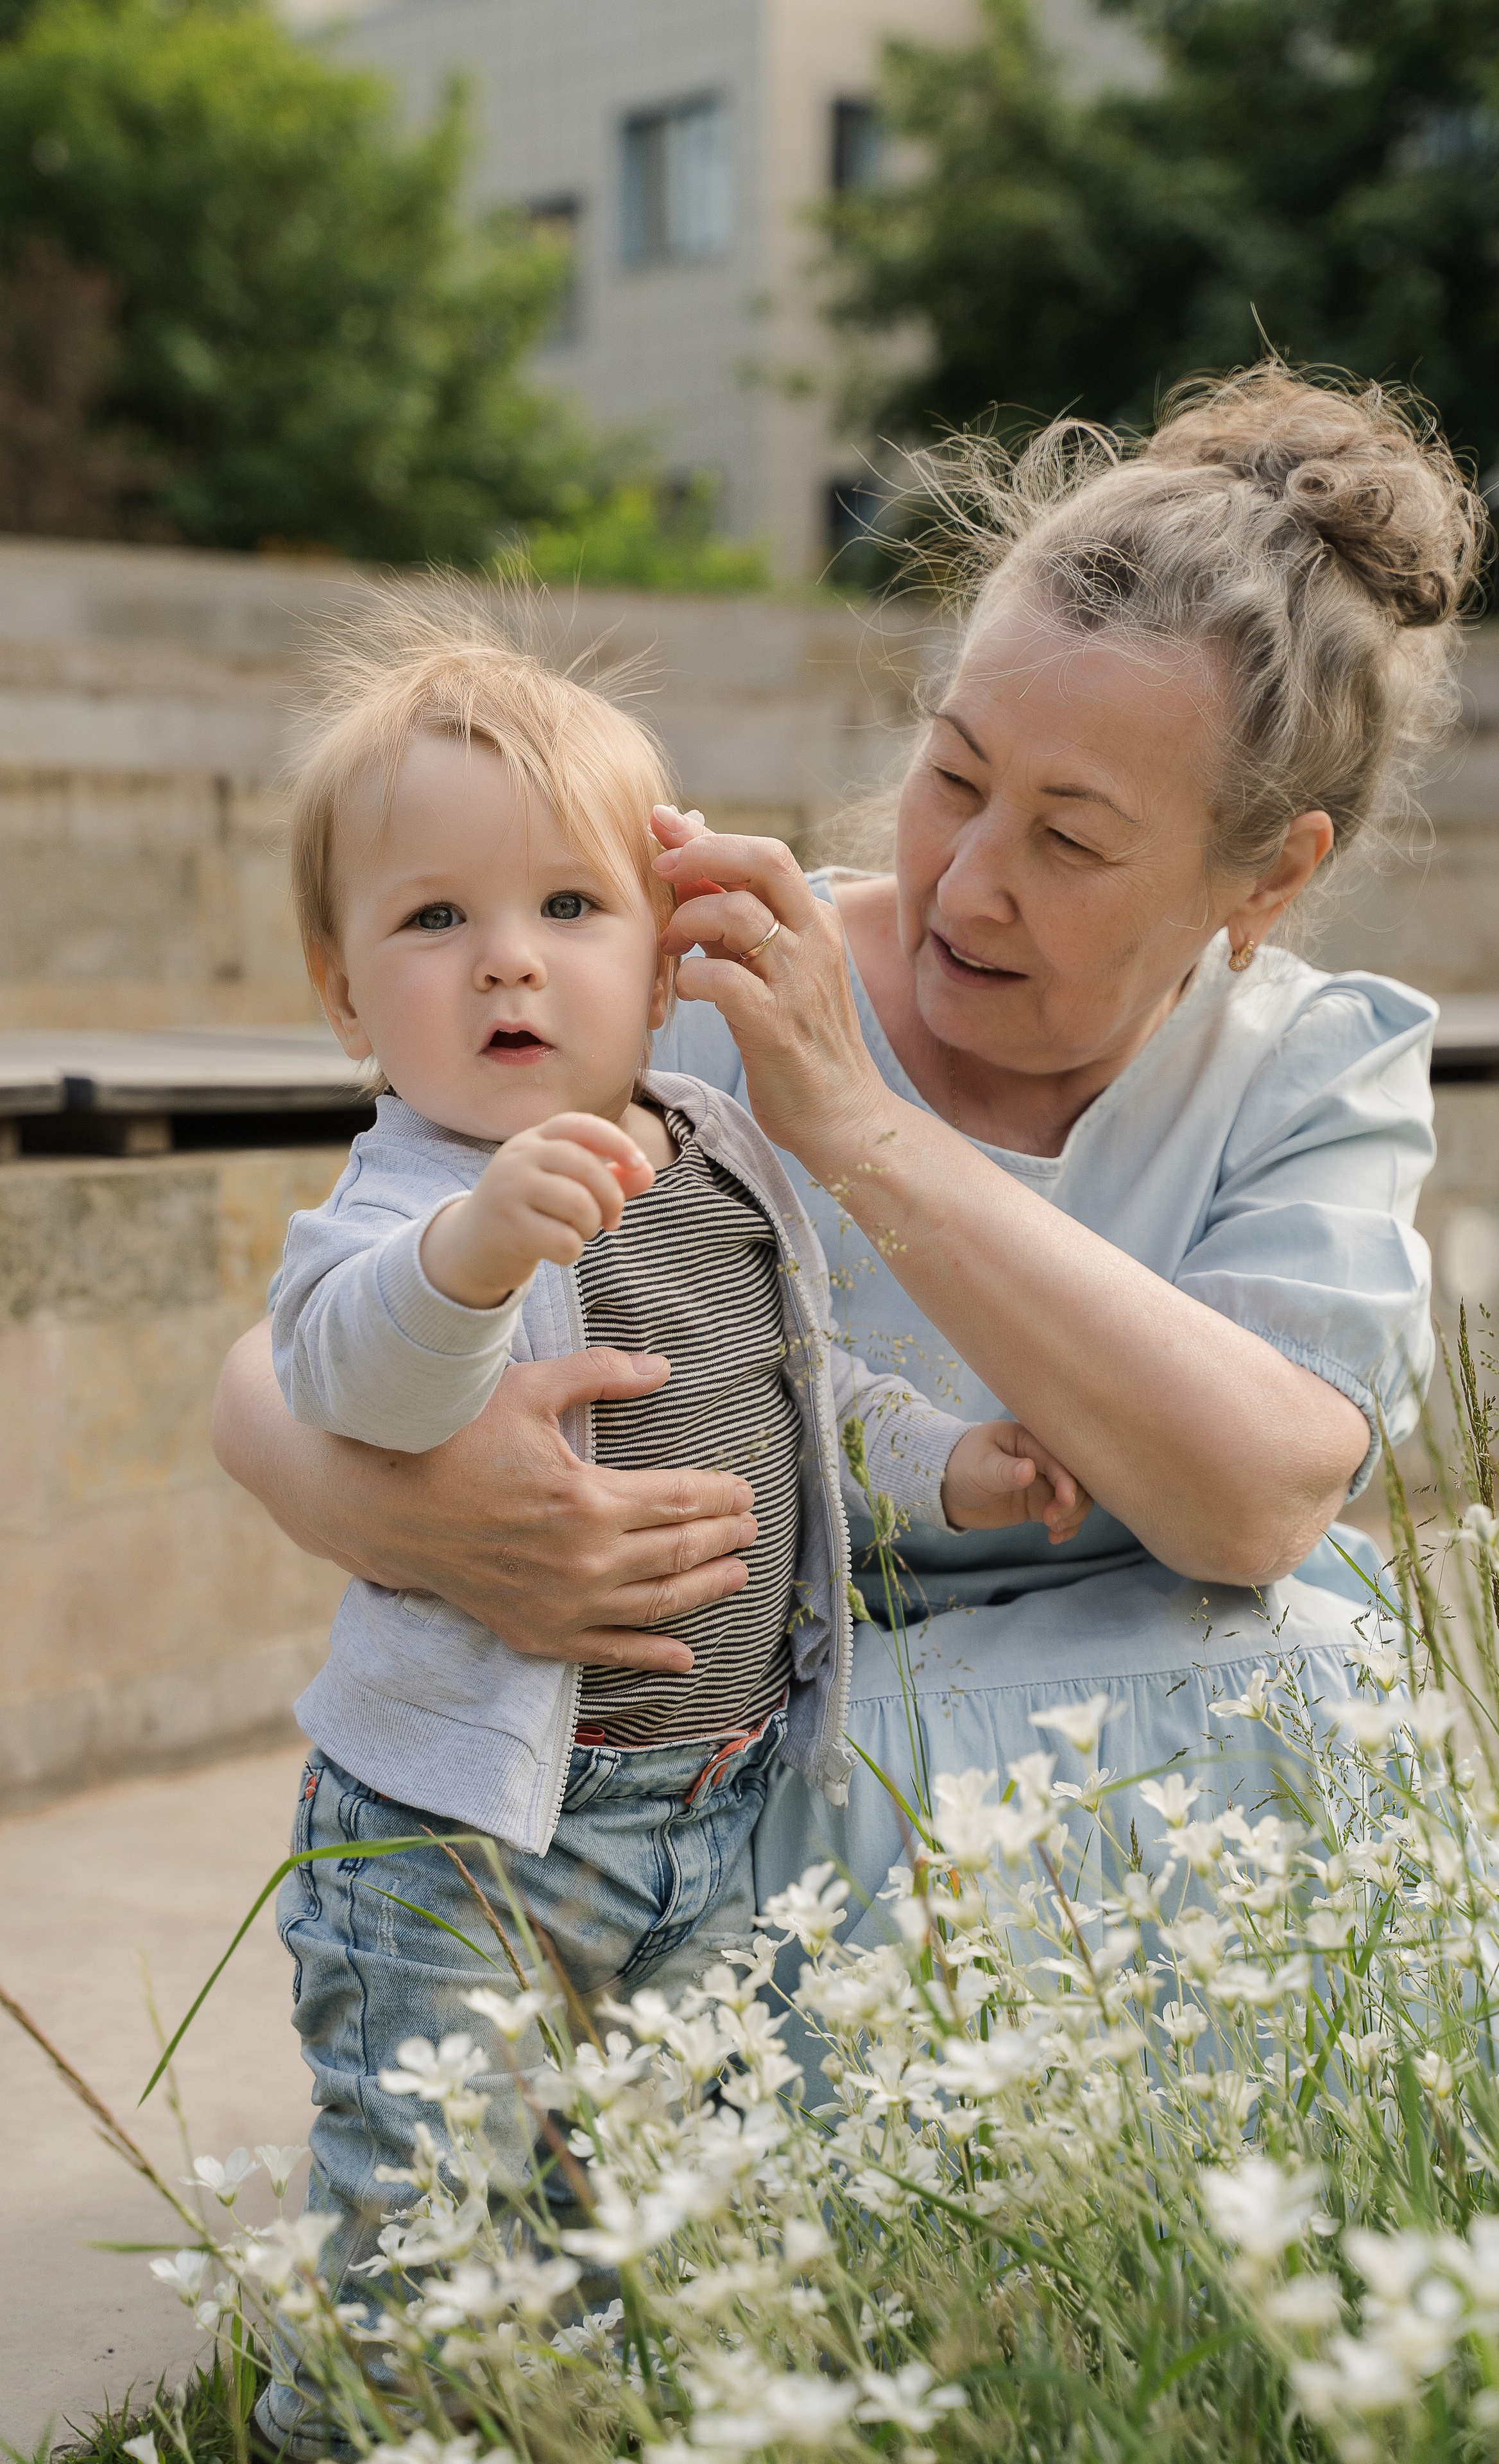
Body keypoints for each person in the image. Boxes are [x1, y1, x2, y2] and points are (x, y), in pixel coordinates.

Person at [214, 362, 1471, 2012]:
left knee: (1325, 1669)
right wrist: (433, 1525)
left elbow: (1256, 1501)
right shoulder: (694, 983)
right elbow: (278, 1362)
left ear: (1269, 871)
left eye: (1069, 840)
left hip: (1119, 1742)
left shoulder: (1308, 1074)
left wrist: (861, 1131)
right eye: (954, 776)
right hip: (741, 1764)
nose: (965, 876)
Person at [257, 611, 1086, 2443]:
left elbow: (806, 1395)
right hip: (461, 1835)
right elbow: (348, 1375)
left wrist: (951, 1467)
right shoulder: (409, 1192)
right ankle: (351, 2425)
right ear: (343, 996)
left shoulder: (716, 1142)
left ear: (663, 956)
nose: (507, 967)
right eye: (431, 921)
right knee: (425, 2202)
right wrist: (470, 1256)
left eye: (569, 910)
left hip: (708, 1808)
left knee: (625, 2195)